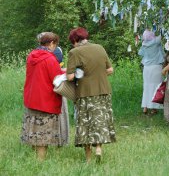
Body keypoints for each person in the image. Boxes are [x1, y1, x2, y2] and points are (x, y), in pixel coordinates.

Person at [66, 27, 116, 163]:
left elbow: (70, 77)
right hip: (103, 91)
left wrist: (78, 73)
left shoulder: (74, 52)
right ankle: (99, 148)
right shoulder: (100, 48)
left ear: (75, 40)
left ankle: (88, 159)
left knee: (85, 124)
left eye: (72, 42)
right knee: (100, 121)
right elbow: (110, 70)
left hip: (85, 92)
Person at [21, 32, 64, 161]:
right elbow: (56, 79)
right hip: (45, 100)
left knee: (33, 128)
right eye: (55, 44)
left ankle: (34, 159)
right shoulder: (50, 59)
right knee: (43, 132)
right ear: (51, 43)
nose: (55, 47)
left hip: (31, 98)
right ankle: (40, 162)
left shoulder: (31, 56)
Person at [37, 32, 69, 146]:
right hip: (55, 86)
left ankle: (38, 142)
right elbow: (56, 74)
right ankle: (60, 140)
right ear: (51, 43)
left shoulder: (33, 54)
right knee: (60, 114)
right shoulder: (55, 53)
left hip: (37, 91)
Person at [138, 30, 165, 115]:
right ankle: (154, 108)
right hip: (156, 67)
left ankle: (145, 108)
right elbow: (162, 33)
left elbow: (140, 53)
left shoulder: (144, 44)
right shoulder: (156, 41)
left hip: (146, 68)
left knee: (146, 87)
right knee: (156, 87)